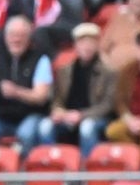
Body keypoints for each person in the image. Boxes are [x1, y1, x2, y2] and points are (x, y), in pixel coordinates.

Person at [0, 13, 55, 151]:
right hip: (2, 117)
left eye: (21, 35)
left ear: (29, 37)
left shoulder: (40, 58)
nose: (16, 39)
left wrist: (17, 92)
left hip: (31, 115)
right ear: (6, 36)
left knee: (26, 134)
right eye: (13, 35)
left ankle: (26, 170)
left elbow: (41, 96)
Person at [49, 22, 115, 155]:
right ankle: (54, 166)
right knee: (45, 127)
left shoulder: (109, 71)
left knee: (87, 127)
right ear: (76, 46)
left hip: (96, 117)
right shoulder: (65, 70)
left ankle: (88, 169)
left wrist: (82, 115)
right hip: (68, 116)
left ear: (97, 45)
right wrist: (58, 111)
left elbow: (108, 105)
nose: (86, 47)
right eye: (82, 42)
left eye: (91, 42)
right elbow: (57, 98)